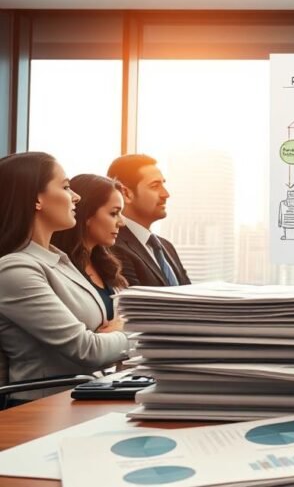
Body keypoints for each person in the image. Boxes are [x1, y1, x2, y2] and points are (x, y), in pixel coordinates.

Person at [0, 152, 129, 401]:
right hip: (43, 410)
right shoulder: (15, 270)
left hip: (84, 396)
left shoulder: (59, 259)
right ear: (36, 199)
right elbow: (87, 350)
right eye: (66, 187)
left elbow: (97, 340)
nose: (76, 196)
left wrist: (111, 334)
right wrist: (133, 331)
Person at [52, 174, 129, 321]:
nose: (122, 222)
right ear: (87, 214)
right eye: (114, 213)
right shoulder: (57, 267)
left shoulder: (106, 265)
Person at [106, 154, 190, 286]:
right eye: (155, 186)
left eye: (163, 184)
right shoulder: (114, 247)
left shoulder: (167, 246)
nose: (166, 194)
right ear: (126, 194)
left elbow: (190, 295)